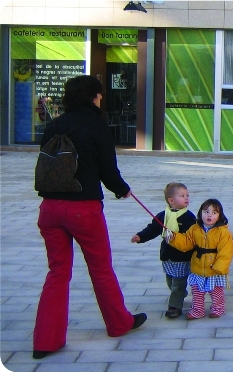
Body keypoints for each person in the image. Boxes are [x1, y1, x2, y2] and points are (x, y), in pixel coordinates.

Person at [33, 75, 146, 360]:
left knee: (57, 272)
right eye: (99, 94)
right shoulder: (97, 125)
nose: (101, 99)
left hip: (49, 208)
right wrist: (123, 191)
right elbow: (109, 171)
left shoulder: (55, 125)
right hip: (83, 209)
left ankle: (46, 340)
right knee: (100, 268)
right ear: (93, 97)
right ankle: (119, 323)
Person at [131, 182, 196, 319]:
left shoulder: (189, 217)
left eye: (187, 195)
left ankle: (174, 306)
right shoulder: (162, 215)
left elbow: (195, 235)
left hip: (182, 256)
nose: (186, 198)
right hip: (167, 254)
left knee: (178, 281)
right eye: (182, 196)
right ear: (171, 200)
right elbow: (153, 228)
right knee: (170, 280)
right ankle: (179, 294)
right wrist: (140, 236)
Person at [165, 199, 233, 319]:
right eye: (206, 211)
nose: (209, 215)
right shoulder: (195, 229)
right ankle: (197, 310)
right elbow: (186, 242)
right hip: (198, 266)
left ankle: (218, 308)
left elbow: (226, 251)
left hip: (214, 269)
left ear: (219, 215)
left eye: (214, 213)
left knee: (216, 292)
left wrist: (220, 266)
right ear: (200, 213)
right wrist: (173, 238)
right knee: (197, 291)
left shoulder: (223, 232)